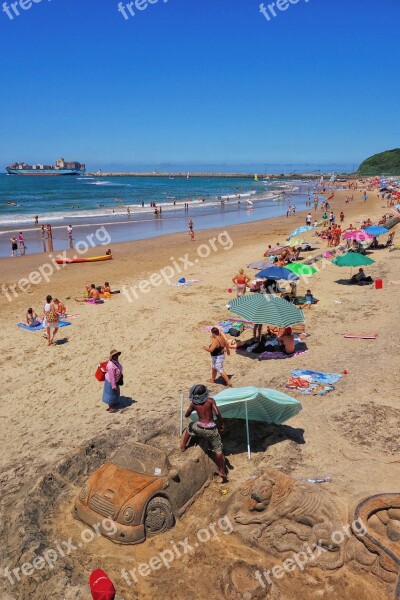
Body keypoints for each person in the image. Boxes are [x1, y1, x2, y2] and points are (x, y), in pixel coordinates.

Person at [181, 384, 228, 482]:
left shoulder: (194, 403)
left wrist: (191, 411)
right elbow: (218, 413)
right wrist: (221, 424)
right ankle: (222, 470)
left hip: (200, 427)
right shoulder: (210, 401)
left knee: (190, 427)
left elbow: (187, 414)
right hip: (211, 430)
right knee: (218, 449)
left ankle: (183, 446)